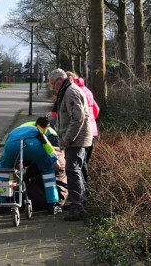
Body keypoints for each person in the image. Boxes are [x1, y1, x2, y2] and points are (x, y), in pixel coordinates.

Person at [49, 68, 93, 221]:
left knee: (72, 170)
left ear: (60, 80)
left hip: (77, 139)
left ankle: (78, 207)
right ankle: (77, 202)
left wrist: (68, 138)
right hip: (75, 138)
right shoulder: (67, 91)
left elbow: (78, 119)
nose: (53, 87)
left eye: (53, 83)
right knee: (75, 170)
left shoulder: (70, 92)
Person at [0, 116, 63, 215]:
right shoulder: (48, 132)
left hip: (12, 144)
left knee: (3, 169)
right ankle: (53, 204)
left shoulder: (21, 127)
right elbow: (47, 144)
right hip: (33, 145)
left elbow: (8, 145)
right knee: (47, 170)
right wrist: (55, 161)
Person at [65, 71, 100, 184]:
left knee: (79, 163)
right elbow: (96, 109)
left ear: (70, 79)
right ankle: (85, 189)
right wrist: (92, 121)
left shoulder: (73, 91)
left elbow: (77, 116)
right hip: (92, 130)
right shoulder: (86, 90)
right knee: (84, 161)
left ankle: (84, 190)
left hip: (82, 131)